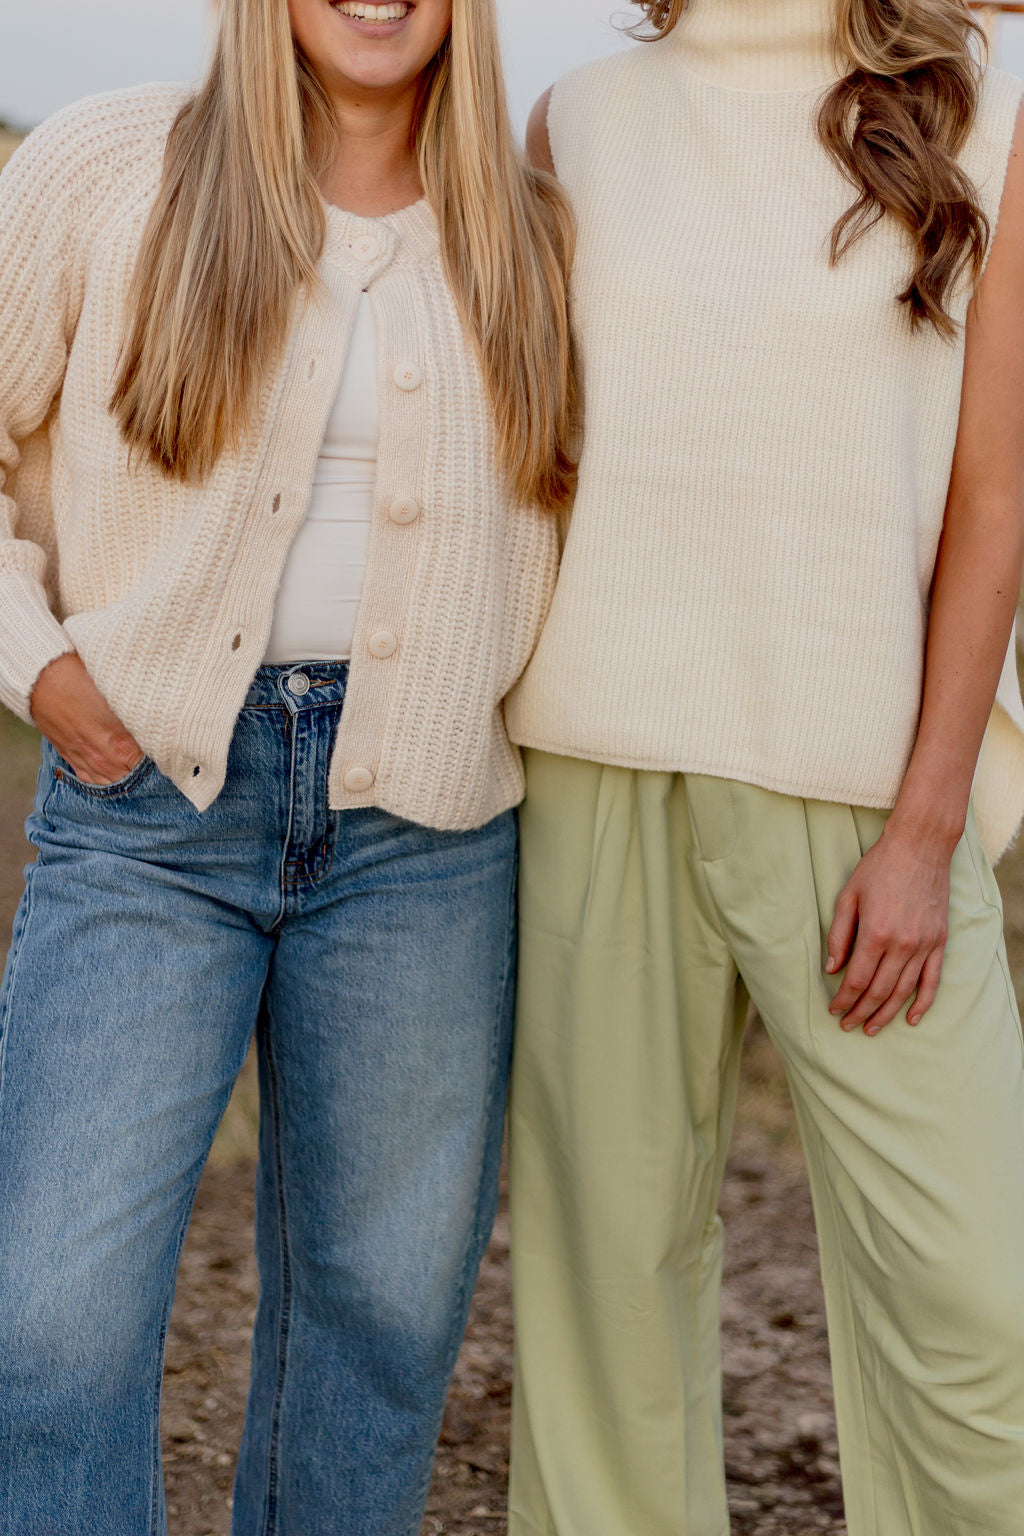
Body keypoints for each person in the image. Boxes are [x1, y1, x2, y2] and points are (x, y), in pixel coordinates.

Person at [0, 0, 575, 1531]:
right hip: (145, 810)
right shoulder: (112, 167)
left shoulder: (534, 232)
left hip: (425, 837)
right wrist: (43, 669)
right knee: (48, 1318)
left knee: (378, 1324)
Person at [504, 0, 1024, 1532]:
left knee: (982, 1297)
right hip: (591, 763)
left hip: (867, 798)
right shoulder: (577, 118)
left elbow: (996, 499)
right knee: (605, 1292)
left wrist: (927, 828)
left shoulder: (984, 110)